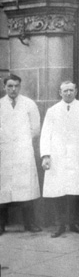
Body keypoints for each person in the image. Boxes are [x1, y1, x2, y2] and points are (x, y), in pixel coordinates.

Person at [40, 81, 79, 238]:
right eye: (65, 91)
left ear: (76, 91)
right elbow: (45, 134)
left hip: (78, 155)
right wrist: (45, 155)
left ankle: (74, 222)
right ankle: (60, 224)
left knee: (76, 192)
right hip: (57, 157)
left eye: (71, 90)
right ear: (60, 92)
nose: (68, 93)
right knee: (58, 191)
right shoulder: (52, 111)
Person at [0, 74, 42, 234]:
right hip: (4, 151)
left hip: (23, 151)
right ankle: (1, 224)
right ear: (5, 87)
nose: (13, 89)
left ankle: (29, 223)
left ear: (20, 86)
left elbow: (36, 128)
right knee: (3, 188)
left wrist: (22, 140)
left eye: (16, 86)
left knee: (27, 186)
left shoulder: (29, 104)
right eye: (10, 86)